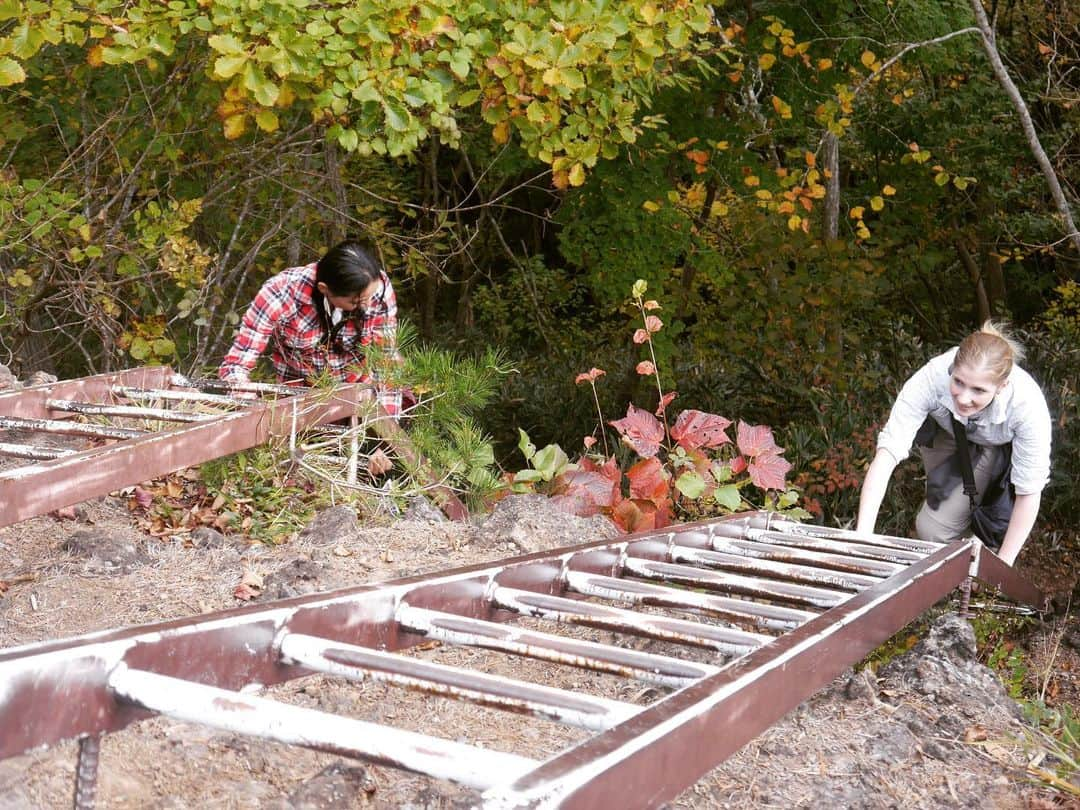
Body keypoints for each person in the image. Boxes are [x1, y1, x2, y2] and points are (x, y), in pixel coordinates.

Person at [855, 322, 1051, 566]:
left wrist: (1003, 566)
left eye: (978, 390)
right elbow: (886, 455)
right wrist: (862, 538)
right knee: (939, 519)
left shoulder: (1027, 405)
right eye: (958, 382)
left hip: (993, 445)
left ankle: (981, 551)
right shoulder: (931, 377)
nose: (965, 397)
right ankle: (968, 548)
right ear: (951, 369)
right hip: (946, 432)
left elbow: (1029, 492)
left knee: (930, 530)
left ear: (1002, 386)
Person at [219, 239, 402, 473]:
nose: (366, 306)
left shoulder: (378, 290)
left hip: (359, 399)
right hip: (301, 399)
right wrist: (255, 415)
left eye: (368, 299)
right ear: (325, 289)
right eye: (356, 302)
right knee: (297, 472)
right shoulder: (281, 292)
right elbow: (236, 365)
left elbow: (387, 365)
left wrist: (385, 439)